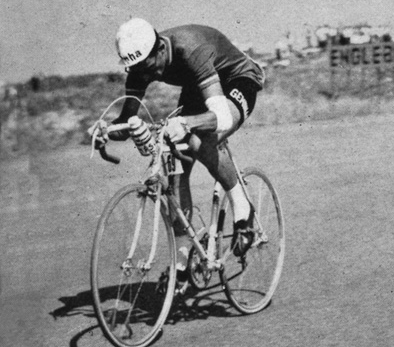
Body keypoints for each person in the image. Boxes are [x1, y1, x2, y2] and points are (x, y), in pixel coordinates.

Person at [91, 19, 266, 271]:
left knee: (197, 141)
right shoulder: (142, 65)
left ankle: (242, 206)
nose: (148, 75)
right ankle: (182, 261)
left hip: (236, 80)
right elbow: (127, 121)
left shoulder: (191, 49)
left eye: (149, 67)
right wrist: (106, 129)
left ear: (161, 48)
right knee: (174, 160)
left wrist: (186, 124)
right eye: (139, 70)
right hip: (200, 86)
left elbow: (222, 117)